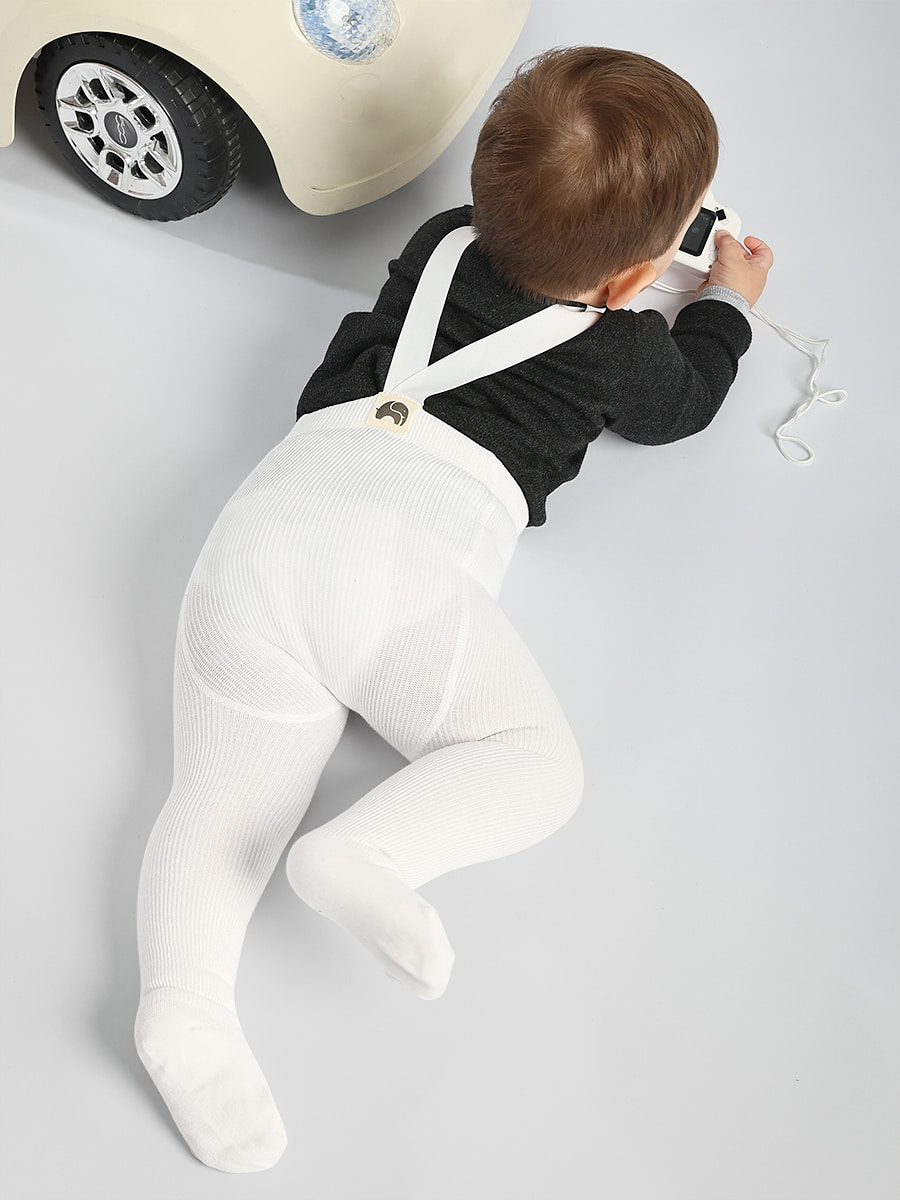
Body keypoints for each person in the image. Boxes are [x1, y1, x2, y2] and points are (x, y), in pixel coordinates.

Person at [133, 46, 773, 1173]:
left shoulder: (442, 243)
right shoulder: (625, 347)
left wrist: (609, 270)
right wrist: (722, 305)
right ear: (633, 278)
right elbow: (683, 408)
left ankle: (180, 1008)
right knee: (537, 766)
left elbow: (508, 283)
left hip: (272, 520)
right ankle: (368, 853)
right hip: (397, 566)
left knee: (220, 801)